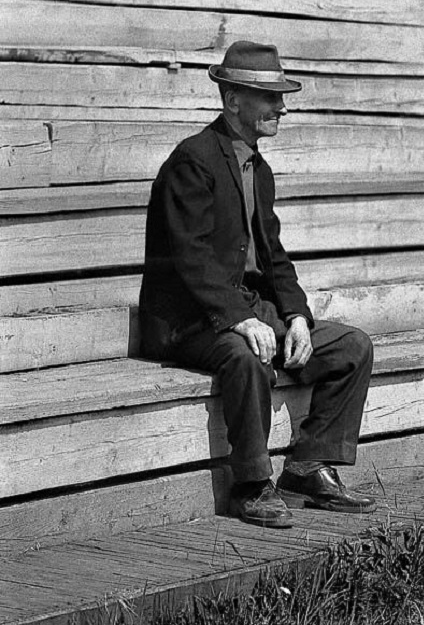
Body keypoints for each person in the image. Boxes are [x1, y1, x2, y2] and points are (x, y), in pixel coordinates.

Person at [139, 41, 375, 528]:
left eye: (280, 97)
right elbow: (192, 260)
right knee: (246, 359)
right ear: (233, 102)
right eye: (269, 97)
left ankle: (309, 464)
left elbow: (275, 257)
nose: (281, 107)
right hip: (190, 317)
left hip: (241, 306)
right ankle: (249, 486)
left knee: (352, 346)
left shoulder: (257, 168)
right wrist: (242, 318)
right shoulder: (193, 161)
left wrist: (296, 317)